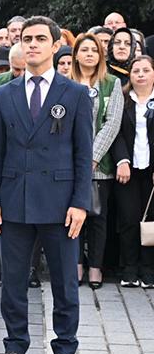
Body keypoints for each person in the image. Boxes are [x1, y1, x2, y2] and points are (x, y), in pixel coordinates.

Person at [0, 15, 91, 354]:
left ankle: (65, 350)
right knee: (13, 281)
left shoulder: (75, 94)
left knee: (64, 281)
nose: (31, 44)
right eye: (27, 38)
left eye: (39, 39)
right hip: (14, 200)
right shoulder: (5, 94)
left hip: (60, 203)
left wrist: (80, 202)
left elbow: (83, 154)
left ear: (53, 45)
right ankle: (15, 347)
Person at [69, 33, 122, 290]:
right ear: (76, 54)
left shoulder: (111, 83)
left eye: (94, 50)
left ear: (100, 55)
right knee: (72, 214)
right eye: (84, 49)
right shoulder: (65, 82)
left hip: (99, 164)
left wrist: (92, 157)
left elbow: (112, 124)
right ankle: (76, 264)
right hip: (68, 162)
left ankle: (95, 267)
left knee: (98, 218)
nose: (89, 53)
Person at [112, 55, 154, 289]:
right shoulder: (123, 99)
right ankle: (129, 268)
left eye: (145, 70)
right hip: (128, 168)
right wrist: (122, 160)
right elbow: (115, 132)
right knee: (128, 219)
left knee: (150, 221)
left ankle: (148, 269)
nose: (140, 74)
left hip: (151, 170)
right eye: (136, 70)